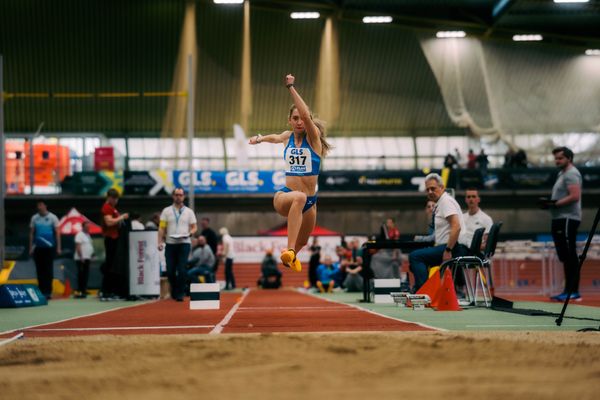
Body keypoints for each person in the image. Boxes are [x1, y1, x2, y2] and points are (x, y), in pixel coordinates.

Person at [249, 74, 332, 272]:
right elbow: (275, 137)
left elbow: (305, 114)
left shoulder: (314, 139)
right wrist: (260, 139)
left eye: (302, 119)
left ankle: (292, 254)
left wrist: (292, 88)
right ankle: (290, 251)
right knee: (299, 197)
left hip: (310, 201)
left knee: (303, 240)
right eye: (295, 119)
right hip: (285, 196)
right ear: (289, 121)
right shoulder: (287, 137)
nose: (299, 122)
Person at [408, 173, 469, 292]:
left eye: (433, 188)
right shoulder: (441, 202)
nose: (430, 191)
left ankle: (425, 293)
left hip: (455, 248)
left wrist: (448, 250)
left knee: (415, 256)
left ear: (442, 187)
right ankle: (425, 290)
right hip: (450, 246)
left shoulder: (446, 201)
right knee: (415, 262)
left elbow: (456, 227)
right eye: (427, 189)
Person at [541, 147, 583, 302]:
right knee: (565, 255)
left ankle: (574, 291)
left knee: (570, 254)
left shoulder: (571, 174)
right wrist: (551, 203)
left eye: (560, 158)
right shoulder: (562, 173)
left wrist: (555, 204)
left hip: (567, 218)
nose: (557, 161)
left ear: (569, 158)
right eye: (556, 158)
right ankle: (568, 290)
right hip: (560, 218)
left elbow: (575, 196)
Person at [158, 187, 197, 302]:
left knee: (182, 269)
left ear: (183, 196)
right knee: (170, 270)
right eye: (176, 194)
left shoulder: (189, 212)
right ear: (173, 196)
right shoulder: (166, 211)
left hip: (184, 243)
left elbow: (194, 227)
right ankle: (174, 290)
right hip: (170, 244)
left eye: (180, 195)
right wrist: (159, 241)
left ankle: (180, 293)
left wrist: (190, 233)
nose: (178, 197)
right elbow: (161, 228)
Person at [29, 201, 61, 299]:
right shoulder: (34, 218)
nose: (39, 207)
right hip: (38, 248)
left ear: (45, 206)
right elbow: (31, 233)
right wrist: (30, 247)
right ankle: (41, 291)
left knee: (48, 269)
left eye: (41, 205)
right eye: (38, 205)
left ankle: (48, 291)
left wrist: (59, 247)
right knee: (40, 270)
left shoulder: (53, 217)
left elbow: (57, 233)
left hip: (49, 247)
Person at [100, 189, 128, 301]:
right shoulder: (106, 207)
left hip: (115, 239)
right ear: (110, 198)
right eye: (115, 199)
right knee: (110, 266)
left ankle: (111, 291)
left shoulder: (112, 208)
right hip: (110, 239)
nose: (116, 201)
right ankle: (105, 292)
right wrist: (122, 217)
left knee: (113, 267)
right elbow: (109, 222)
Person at [74, 221, 94, 298]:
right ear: (83, 227)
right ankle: (80, 290)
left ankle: (84, 289)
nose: (88, 228)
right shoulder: (79, 235)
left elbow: (89, 246)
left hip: (87, 257)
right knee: (81, 274)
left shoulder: (88, 235)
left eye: (89, 226)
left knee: (86, 274)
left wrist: (91, 255)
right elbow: (78, 246)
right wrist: (81, 256)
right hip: (81, 258)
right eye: (87, 226)